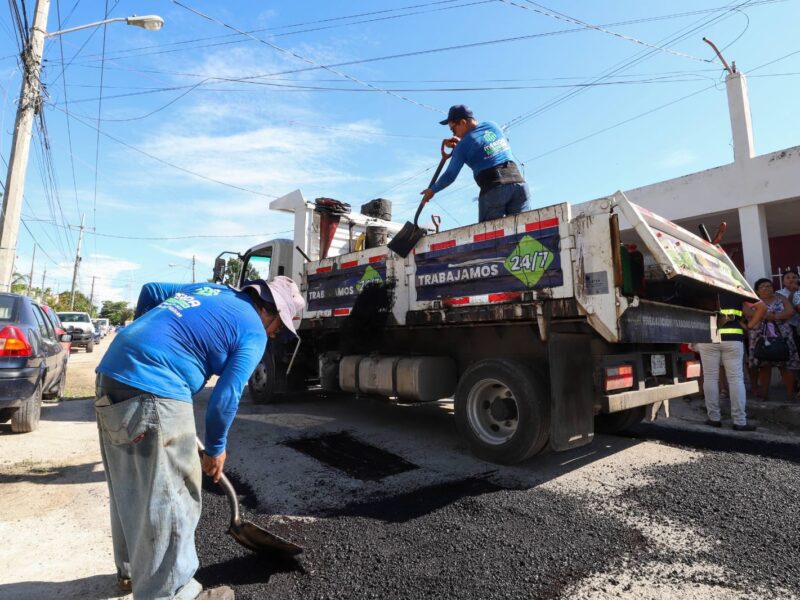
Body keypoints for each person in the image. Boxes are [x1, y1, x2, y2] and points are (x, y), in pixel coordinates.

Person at [94, 277, 305, 600]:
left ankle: (131, 573)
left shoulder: (211, 290)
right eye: (281, 326)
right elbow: (226, 397)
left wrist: (145, 339)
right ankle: (174, 592)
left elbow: (150, 290)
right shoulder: (253, 331)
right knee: (174, 495)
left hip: (112, 372)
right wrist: (215, 449)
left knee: (130, 484)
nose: (277, 334)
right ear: (271, 311)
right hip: (158, 384)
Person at [420, 104, 530, 223]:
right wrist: (461, 143)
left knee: (491, 233)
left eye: (453, 130)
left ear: (462, 122)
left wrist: (432, 190)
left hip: (494, 189)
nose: (453, 135)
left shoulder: (462, 147)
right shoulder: (492, 125)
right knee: (523, 230)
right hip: (519, 185)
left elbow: (450, 175)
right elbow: (481, 142)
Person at [695, 292, 766, 430]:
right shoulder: (735, 288)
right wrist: (749, 326)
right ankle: (739, 421)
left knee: (710, 378)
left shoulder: (700, 287)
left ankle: (714, 418)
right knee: (736, 380)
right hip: (733, 338)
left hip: (707, 337)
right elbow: (762, 307)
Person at [747, 278, 799, 401]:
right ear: (757, 291)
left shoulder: (780, 298)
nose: (766, 288)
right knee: (764, 366)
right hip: (760, 336)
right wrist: (763, 316)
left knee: (784, 365)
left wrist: (774, 317)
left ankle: (790, 396)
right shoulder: (753, 300)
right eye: (762, 286)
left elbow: (790, 311)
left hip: (782, 335)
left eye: (769, 286)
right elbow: (748, 313)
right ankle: (764, 394)